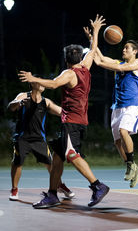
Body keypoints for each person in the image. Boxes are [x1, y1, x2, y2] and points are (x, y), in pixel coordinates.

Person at [18, 14, 110, 209]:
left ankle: (97, 185)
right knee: (58, 157)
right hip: (79, 120)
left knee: (70, 153)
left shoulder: (69, 73)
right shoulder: (86, 67)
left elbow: (52, 84)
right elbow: (93, 50)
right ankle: (52, 195)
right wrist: (95, 32)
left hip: (72, 121)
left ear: (67, 60)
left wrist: (34, 77)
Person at [84, 26, 138, 188]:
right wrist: (93, 38)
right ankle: (133, 167)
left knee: (124, 131)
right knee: (117, 142)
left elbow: (118, 67)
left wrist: (104, 62)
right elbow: (99, 59)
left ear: (135, 51)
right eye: (124, 47)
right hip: (117, 106)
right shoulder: (118, 62)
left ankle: (131, 164)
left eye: (127, 48)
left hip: (132, 104)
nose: (123, 50)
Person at [8, 75, 75, 201]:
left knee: (51, 164)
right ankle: (14, 189)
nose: (42, 84)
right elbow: (11, 106)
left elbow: (62, 112)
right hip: (23, 138)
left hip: (39, 139)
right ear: (33, 84)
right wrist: (19, 103)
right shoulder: (23, 96)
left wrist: (74, 110)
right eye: (39, 82)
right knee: (18, 162)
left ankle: (59, 185)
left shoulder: (46, 101)